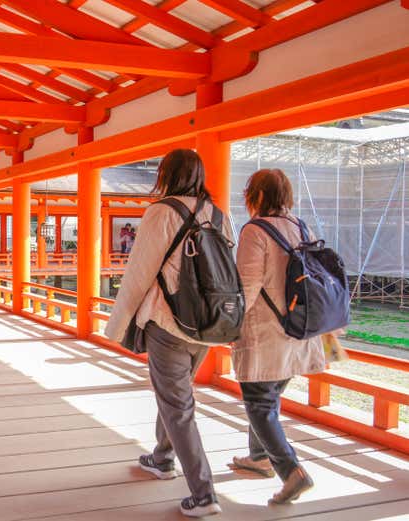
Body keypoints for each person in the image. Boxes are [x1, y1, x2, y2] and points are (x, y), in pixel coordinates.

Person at [104, 149, 229, 517]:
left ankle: (204, 494)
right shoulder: (218, 214)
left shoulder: (161, 212)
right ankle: (162, 458)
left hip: (168, 320)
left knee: (177, 405)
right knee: (176, 394)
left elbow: (139, 274)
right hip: (207, 323)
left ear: (166, 174)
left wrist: (119, 324)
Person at [230, 169, 324, 504]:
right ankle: (259, 458)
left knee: (258, 403)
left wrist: (230, 325)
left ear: (253, 194)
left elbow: (247, 287)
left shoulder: (255, 231)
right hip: (298, 329)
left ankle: (291, 471)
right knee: (269, 398)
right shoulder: (301, 226)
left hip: (265, 332)